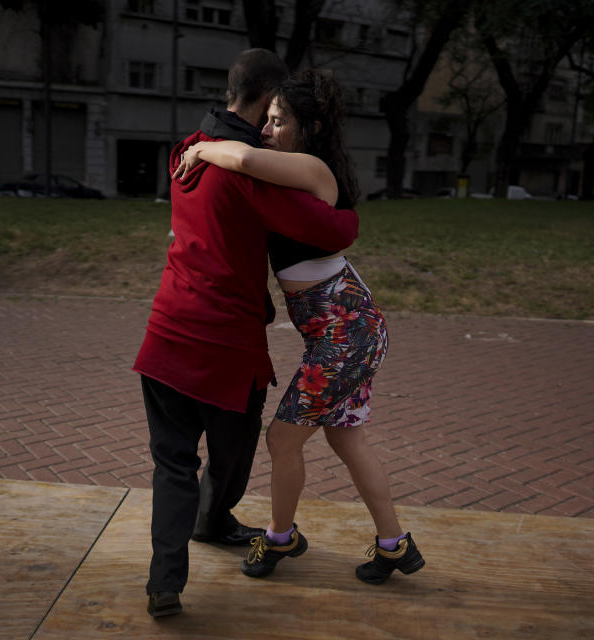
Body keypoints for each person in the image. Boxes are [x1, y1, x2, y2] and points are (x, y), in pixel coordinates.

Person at [175, 69, 425, 585]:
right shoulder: (291, 171)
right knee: (347, 439)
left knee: (283, 440)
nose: (266, 129)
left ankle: (279, 538)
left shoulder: (312, 166)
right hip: (348, 328)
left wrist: (199, 151)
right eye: (264, 118)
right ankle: (394, 545)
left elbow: (241, 157)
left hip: (344, 332)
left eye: (278, 120)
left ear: (308, 126)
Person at [133, 49, 360, 618]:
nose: (270, 125)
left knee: (172, 464)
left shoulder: (185, 149)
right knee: (231, 455)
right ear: (264, 101)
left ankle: (166, 581)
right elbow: (333, 226)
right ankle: (212, 521)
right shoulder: (249, 170)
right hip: (225, 345)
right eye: (273, 114)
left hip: (163, 334)